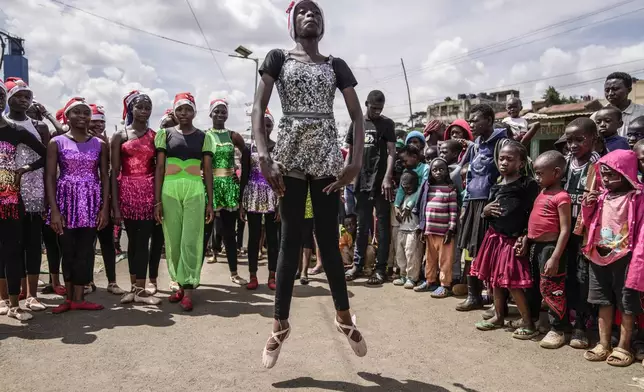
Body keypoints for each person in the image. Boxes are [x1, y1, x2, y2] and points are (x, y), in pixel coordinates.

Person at [252, 0, 366, 369]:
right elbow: (258, 107)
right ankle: (279, 325)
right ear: (292, 22)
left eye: (315, 11)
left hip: (326, 150)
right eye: (301, 10)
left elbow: (356, 115)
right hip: (289, 148)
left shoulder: (336, 65)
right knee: (288, 238)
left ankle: (344, 317)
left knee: (328, 241)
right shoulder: (277, 59)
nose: (309, 14)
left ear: (323, 23)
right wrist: (263, 152)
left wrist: (356, 161)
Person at [581, 149, 644, 367]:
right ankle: (603, 343)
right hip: (598, 256)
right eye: (603, 174)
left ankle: (624, 346)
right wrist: (587, 205)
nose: (605, 179)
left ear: (626, 172)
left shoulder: (636, 197)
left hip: (625, 258)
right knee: (603, 302)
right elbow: (588, 223)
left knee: (626, 305)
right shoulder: (601, 197)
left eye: (611, 174)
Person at [470, 141, 539, 339]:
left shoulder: (527, 184)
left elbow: (533, 212)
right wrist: (485, 212)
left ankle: (527, 321)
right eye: (501, 158)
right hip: (495, 238)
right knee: (496, 281)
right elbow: (490, 211)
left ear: (521, 163)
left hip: (513, 239)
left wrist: (526, 235)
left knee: (512, 282)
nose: (504, 162)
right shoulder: (496, 185)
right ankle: (499, 316)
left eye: (510, 159)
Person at [47, 97, 109, 314]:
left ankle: (80, 298)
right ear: (68, 116)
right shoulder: (56, 142)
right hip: (66, 202)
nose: (82, 116)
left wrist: (104, 208)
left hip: (91, 202)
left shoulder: (100, 144)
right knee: (67, 249)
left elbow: (105, 177)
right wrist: (54, 210)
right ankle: (68, 298)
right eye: (77, 112)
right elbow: (51, 178)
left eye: (86, 113)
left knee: (85, 251)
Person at [154, 92, 214, 311]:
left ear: (194, 112)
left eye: (188, 109)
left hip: (194, 190)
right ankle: (179, 283)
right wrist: (157, 201)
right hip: (169, 190)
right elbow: (159, 168)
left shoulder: (203, 137)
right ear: (174, 111)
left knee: (190, 238)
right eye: (180, 109)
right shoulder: (164, 134)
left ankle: (188, 289)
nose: (184, 113)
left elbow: (207, 170)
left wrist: (210, 202)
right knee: (173, 239)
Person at [0, 80, 47, 320]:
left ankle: (15, 304)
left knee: (12, 249)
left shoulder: (16, 130)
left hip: (9, 196)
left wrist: (24, 168)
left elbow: (46, 153)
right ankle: (2, 299)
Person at [456, 103, 507, 312]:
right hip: (473, 203)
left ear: (489, 120)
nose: (471, 124)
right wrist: (465, 204)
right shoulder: (475, 145)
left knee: (491, 253)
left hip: (491, 203)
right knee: (470, 250)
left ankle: (497, 303)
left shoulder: (501, 142)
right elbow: (470, 176)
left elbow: (507, 175)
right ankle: (473, 296)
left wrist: (498, 201)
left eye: (475, 120)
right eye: (470, 120)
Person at [111, 91, 161, 305]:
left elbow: (159, 168)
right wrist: (114, 205)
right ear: (131, 109)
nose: (144, 110)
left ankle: (140, 289)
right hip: (128, 193)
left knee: (144, 242)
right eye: (139, 106)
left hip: (149, 192)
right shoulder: (120, 136)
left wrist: (158, 200)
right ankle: (134, 288)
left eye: (147, 107)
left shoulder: (156, 136)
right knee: (132, 242)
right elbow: (113, 171)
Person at [344, 90, 395, 285]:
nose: (376, 111)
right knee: (362, 225)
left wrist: (388, 177)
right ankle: (358, 265)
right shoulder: (357, 123)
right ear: (366, 104)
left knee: (381, 226)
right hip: (360, 182)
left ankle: (381, 269)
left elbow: (391, 151)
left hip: (381, 183)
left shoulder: (387, 124)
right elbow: (349, 152)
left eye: (379, 108)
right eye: (373, 108)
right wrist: (345, 175)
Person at [523, 151, 572, 349]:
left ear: (557, 172)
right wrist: (526, 239)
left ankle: (557, 329)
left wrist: (555, 256)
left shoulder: (562, 197)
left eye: (540, 173)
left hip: (550, 249)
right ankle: (535, 322)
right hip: (535, 247)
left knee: (553, 289)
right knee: (534, 286)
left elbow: (565, 229)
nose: (537, 177)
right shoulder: (541, 192)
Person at [562, 117, 600, 349]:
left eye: (579, 139)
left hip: (588, 233)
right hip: (565, 230)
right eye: (569, 141)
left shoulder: (599, 165)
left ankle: (582, 327)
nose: (573, 145)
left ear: (593, 139)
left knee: (584, 278)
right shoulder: (565, 162)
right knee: (566, 276)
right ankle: (564, 320)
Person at [82, 103, 126, 296]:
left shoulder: (105, 142)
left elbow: (111, 173)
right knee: (88, 243)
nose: (98, 125)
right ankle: (88, 281)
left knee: (107, 242)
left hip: (103, 198)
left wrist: (110, 204)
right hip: (85, 199)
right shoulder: (81, 141)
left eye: (102, 122)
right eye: (95, 122)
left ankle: (112, 281)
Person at [203, 99, 248, 286]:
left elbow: (247, 158)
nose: (220, 115)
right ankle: (193, 276)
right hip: (210, 186)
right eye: (217, 111)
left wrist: (240, 180)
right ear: (210, 114)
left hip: (229, 186)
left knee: (230, 233)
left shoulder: (233, 136)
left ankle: (234, 273)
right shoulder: (204, 136)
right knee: (204, 233)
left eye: (223, 112)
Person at [240, 109, 280, 290]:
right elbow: (245, 175)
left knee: (273, 238)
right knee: (254, 237)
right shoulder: (249, 148)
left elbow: (281, 176)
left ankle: (272, 275)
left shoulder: (278, 147)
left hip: (273, 195)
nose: (265, 128)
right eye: (262, 124)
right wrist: (242, 202)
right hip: (253, 194)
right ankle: (253, 275)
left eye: (269, 124)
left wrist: (281, 201)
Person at [416, 158, 458, 297]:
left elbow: (453, 211)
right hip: (430, 232)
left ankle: (445, 285)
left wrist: (451, 229)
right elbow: (423, 209)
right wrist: (422, 228)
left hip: (444, 233)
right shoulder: (428, 189)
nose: (438, 172)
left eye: (441, 169)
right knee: (429, 259)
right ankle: (430, 281)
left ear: (447, 171)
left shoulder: (450, 190)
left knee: (445, 261)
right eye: (434, 170)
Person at [392, 170, 423, 289]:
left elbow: (419, 191)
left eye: (409, 187)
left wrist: (409, 206)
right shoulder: (403, 196)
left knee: (412, 255)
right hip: (402, 229)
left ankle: (412, 277)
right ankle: (403, 275)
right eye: (404, 187)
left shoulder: (418, 195)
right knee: (400, 255)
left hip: (413, 231)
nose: (407, 189)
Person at [592, 72, 644, 137]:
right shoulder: (595, 117)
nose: (610, 93)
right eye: (607, 90)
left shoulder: (641, 113)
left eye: (615, 89)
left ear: (629, 90)